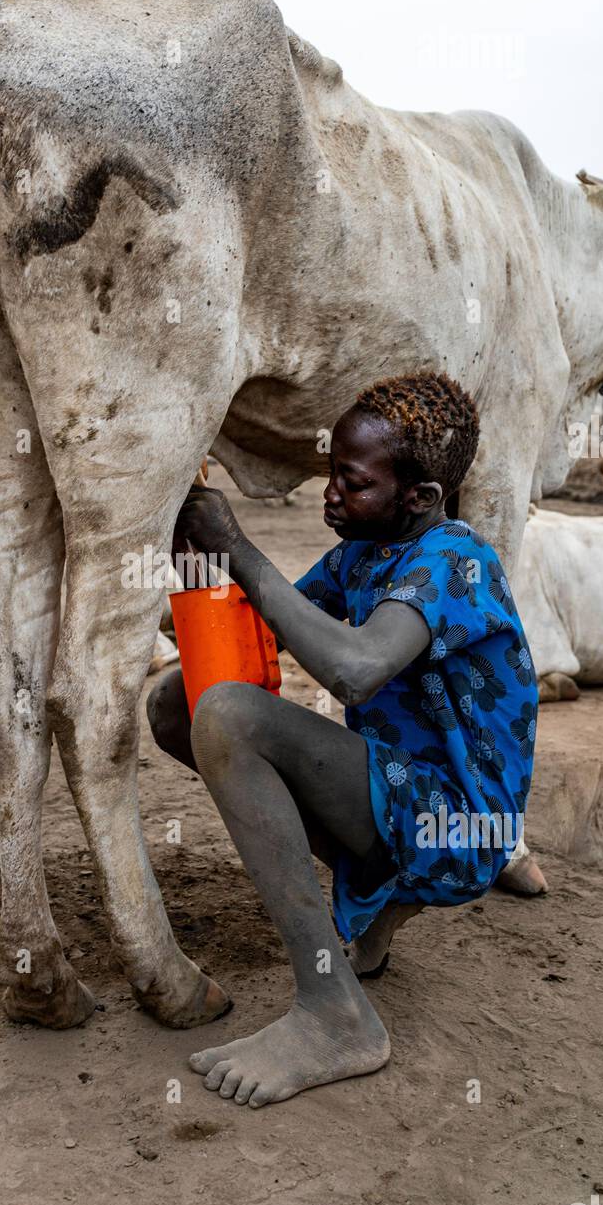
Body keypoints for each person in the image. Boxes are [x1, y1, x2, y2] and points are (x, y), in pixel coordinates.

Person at [147, 371, 537, 1108]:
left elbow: (355, 670)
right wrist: (201, 558)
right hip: (400, 800)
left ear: (419, 498)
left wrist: (244, 549)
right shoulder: (362, 551)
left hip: (460, 826)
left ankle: (333, 1013)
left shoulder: (455, 561)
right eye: (331, 474)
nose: (330, 494)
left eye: (351, 482)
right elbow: (265, 621)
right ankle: (379, 914)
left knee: (231, 717)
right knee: (179, 701)